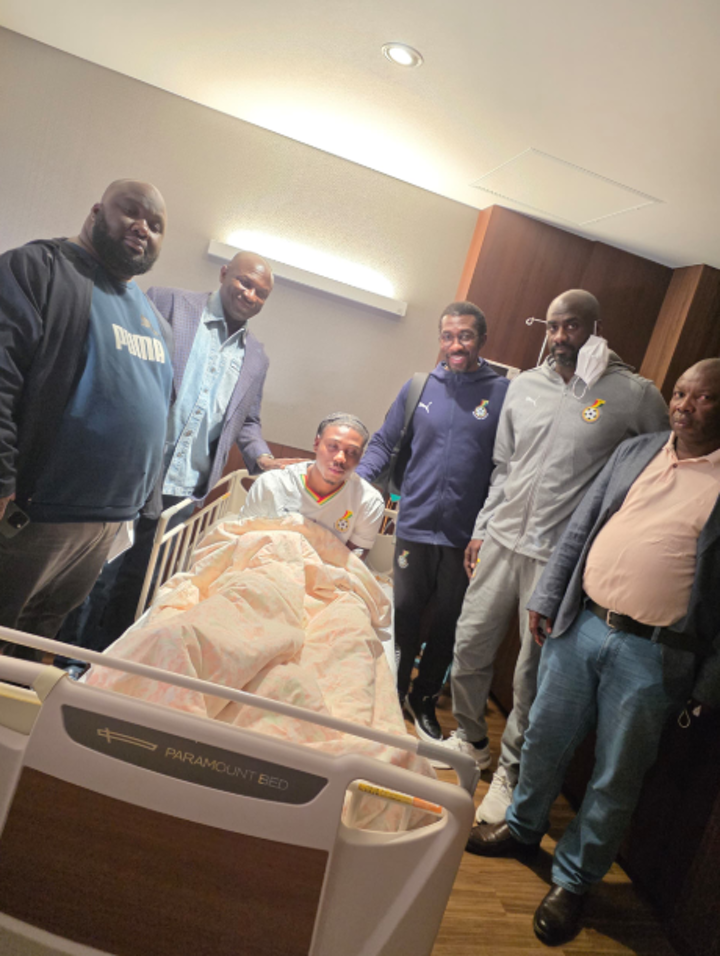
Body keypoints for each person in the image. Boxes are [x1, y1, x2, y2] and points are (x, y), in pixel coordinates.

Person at [467, 358, 720, 947]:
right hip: (582, 625)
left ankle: (575, 879)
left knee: (615, 775)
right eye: (679, 392)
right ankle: (522, 828)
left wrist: (708, 685)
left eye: (702, 397)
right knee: (543, 738)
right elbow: (581, 526)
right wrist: (549, 597)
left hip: (655, 655)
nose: (683, 405)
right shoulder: (639, 450)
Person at [441, 289, 669, 824]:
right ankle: (471, 739)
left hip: (556, 559)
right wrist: (482, 528)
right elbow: (504, 466)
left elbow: (661, 466)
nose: (561, 337)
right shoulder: (525, 386)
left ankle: (510, 772)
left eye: (573, 326)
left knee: (530, 675)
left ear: (595, 328)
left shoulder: (632, 394)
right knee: (468, 644)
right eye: (553, 327)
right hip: (501, 539)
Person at [67, 250, 298, 649]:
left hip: (185, 487)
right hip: (132, 467)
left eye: (261, 292)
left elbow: (248, 421)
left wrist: (262, 457)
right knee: (99, 568)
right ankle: (67, 655)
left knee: (142, 580)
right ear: (224, 274)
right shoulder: (168, 303)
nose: (250, 294)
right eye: (244, 282)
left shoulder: (256, 358)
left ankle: (108, 661)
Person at [0, 179, 172, 655]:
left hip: (104, 524)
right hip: (30, 514)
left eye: (156, 224)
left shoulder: (154, 320)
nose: (143, 227)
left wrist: (145, 503)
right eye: (131, 211)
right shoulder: (39, 269)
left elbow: (158, 410)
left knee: (35, 648)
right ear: (96, 212)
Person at [356, 302, 509, 742]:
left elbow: (507, 467)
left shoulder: (502, 394)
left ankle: (423, 699)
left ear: (482, 339)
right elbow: (383, 442)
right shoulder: (420, 386)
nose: (454, 345)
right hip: (414, 526)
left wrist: (486, 528)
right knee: (404, 614)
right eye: (447, 336)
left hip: (465, 538)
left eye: (465, 336)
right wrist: (357, 484)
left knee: (447, 622)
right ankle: (393, 694)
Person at [241, 413, 384, 557]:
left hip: (326, 569)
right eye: (332, 446)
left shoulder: (368, 501)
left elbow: (352, 561)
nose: (340, 458)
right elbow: (243, 537)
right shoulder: (273, 483)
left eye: (352, 452)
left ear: (360, 457)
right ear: (316, 444)